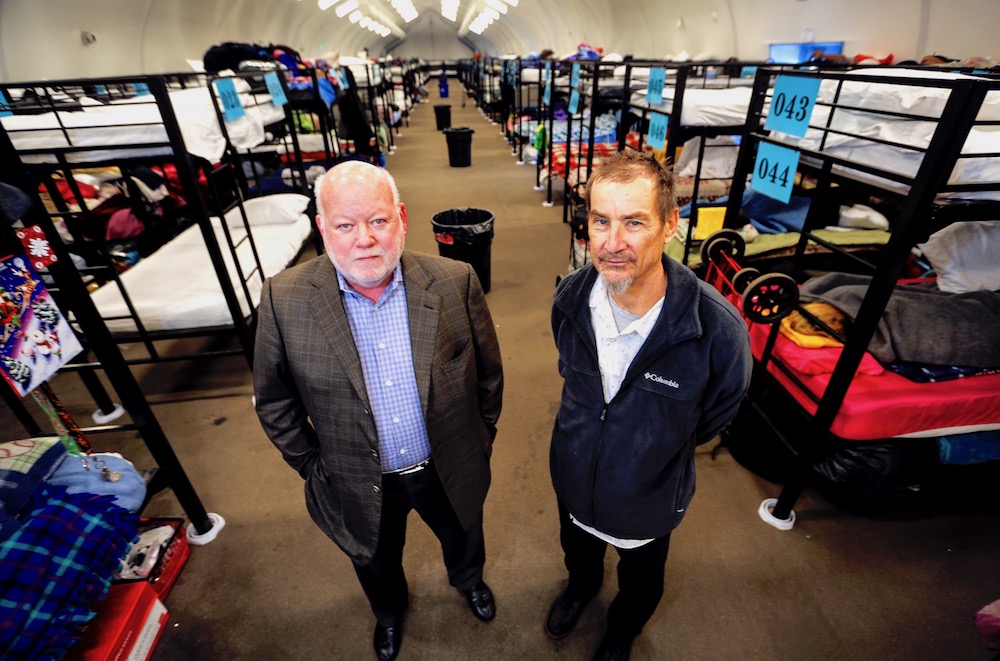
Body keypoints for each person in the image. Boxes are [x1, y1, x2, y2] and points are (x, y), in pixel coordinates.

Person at [253, 160, 503, 661]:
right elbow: (274, 400)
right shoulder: (285, 300)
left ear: (401, 217)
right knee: (374, 558)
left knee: (464, 532)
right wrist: (311, 464)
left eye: (378, 220)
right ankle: (388, 614)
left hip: (445, 462)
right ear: (323, 229)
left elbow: (488, 378)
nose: (364, 239)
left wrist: (478, 440)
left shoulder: (455, 282)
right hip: (357, 476)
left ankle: (468, 580)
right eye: (345, 225)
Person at [545, 150, 752, 661]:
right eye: (600, 221)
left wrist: (653, 446)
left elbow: (717, 411)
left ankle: (621, 630)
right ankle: (581, 587)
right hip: (573, 480)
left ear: (670, 225)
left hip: (648, 500)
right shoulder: (569, 299)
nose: (612, 244)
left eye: (634, 222)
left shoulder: (716, 330)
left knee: (640, 582)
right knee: (579, 554)